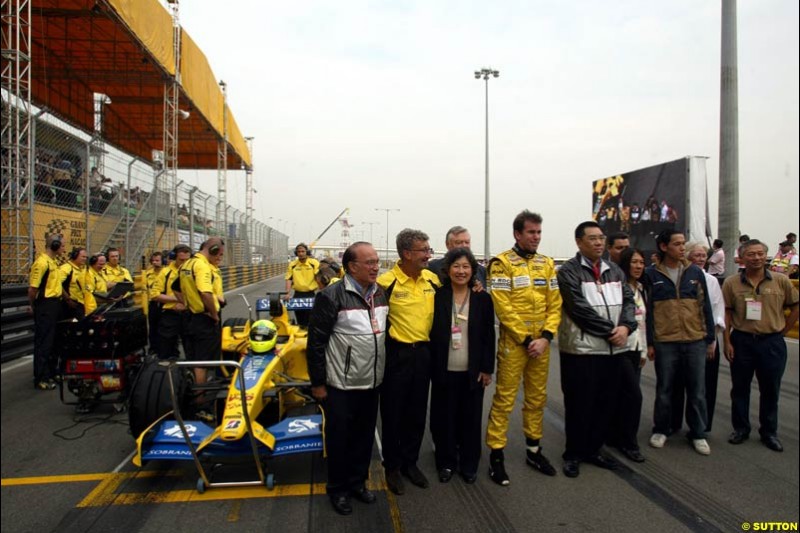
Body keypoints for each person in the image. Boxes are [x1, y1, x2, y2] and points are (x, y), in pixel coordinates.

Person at [307, 242, 388, 516]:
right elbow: (316, 343)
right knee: (340, 440)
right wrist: (318, 383)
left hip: (371, 382)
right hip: (340, 385)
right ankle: (338, 489)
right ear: (352, 266)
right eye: (370, 262)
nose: (376, 266)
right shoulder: (331, 296)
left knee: (364, 438)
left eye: (377, 261)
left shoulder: (382, 294)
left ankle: (357, 483)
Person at [486, 211, 562, 485]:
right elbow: (503, 307)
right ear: (518, 234)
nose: (536, 237)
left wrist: (545, 337)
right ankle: (496, 456)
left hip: (541, 343)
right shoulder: (501, 263)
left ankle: (534, 450)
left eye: (539, 232)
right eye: (531, 232)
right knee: (505, 399)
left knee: (536, 398)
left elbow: (555, 303)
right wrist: (528, 340)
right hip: (515, 344)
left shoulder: (547, 263)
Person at [557, 222, 636, 478]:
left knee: (605, 403)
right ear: (579, 242)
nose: (599, 243)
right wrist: (612, 331)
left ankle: (594, 449)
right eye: (592, 239)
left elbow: (628, 301)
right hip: (581, 351)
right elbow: (578, 308)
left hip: (612, 351)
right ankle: (573, 453)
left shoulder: (614, 270)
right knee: (579, 404)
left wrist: (626, 326)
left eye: (601, 238)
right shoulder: (568, 271)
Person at [377, 229, 441, 495]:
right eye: (423, 250)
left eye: (429, 249)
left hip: (424, 355)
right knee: (393, 414)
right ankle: (392, 467)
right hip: (396, 355)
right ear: (406, 254)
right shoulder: (385, 282)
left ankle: (410, 463)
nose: (428, 254)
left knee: (416, 413)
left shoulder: (433, 280)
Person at [723, 239, 799, 452]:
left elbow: (795, 306)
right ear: (742, 257)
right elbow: (727, 313)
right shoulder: (731, 283)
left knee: (770, 389)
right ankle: (740, 429)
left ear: (765, 256)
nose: (756, 258)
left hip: (771, 342)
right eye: (751, 254)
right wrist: (727, 341)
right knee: (740, 388)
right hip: (742, 341)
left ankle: (769, 432)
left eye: (759, 254)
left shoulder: (780, 280)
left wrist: (782, 331)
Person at [646, 230, 716, 456]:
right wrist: (650, 342)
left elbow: (705, 307)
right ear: (664, 247)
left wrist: (710, 338)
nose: (682, 248)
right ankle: (661, 429)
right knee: (665, 389)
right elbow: (647, 312)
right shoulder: (651, 274)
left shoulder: (695, 272)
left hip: (694, 340)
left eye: (683, 244)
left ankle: (697, 433)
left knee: (697, 390)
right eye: (677, 244)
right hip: (666, 341)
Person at [429, 248, 495, 484]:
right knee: (444, 419)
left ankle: (469, 464)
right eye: (456, 266)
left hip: (473, 372)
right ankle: (446, 463)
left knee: (470, 419)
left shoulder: (482, 298)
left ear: (473, 270)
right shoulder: (437, 296)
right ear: (447, 269)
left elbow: (489, 335)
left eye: (466, 266)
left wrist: (487, 368)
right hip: (443, 370)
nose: (461, 271)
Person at [670, 242, 726, 433]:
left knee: (705, 387)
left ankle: (700, 427)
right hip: (680, 340)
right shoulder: (678, 277)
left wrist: (711, 341)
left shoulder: (711, 281)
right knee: (676, 384)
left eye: (703, 255)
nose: (701, 259)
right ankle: (672, 424)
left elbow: (718, 311)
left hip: (706, 341)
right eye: (696, 255)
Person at [607, 247, 648, 463]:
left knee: (625, 395)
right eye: (634, 262)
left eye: (642, 262)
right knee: (634, 396)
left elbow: (642, 323)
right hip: (619, 349)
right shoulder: (617, 289)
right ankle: (630, 443)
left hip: (635, 350)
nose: (639, 266)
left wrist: (643, 348)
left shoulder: (641, 289)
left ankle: (616, 436)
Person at [177, 238, 225, 398]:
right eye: (219, 254)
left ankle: (193, 392)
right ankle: (200, 400)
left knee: (193, 357)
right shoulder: (202, 266)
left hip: (189, 316)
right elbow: (205, 293)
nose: (220, 258)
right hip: (204, 318)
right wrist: (213, 315)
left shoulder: (186, 264)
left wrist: (185, 302)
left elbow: (175, 287)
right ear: (212, 250)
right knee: (202, 362)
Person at [28, 234, 64, 390]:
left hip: (55, 304)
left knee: (54, 341)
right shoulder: (41, 263)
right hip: (45, 305)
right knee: (44, 342)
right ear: (55, 246)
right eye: (62, 245)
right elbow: (33, 288)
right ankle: (41, 377)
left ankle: (50, 373)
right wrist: (33, 305)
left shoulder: (53, 262)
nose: (64, 248)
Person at [153, 244, 191, 359]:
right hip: (170, 315)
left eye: (187, 260)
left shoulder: (194, 271)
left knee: (191, 348)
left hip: (189, 314)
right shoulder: (165, 272)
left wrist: (185, 305)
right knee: (166, 349)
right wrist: (177, 299)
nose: (184, 263)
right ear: (174, 257)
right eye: (181, 260)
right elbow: (155, 295)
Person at [284, 243, 320, 327]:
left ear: (306, 252)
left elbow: (319, 278)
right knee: (300, 319)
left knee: (311, 319)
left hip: (311, 295)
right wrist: (287, 293)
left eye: (303, 251)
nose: (301, 253)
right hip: (298, 295)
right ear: (296, 253)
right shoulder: (292, 264)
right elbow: (289, 279)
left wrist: (321, 292)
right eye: (299, 251)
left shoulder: (314, 263)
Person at [60, 247, 87, 320]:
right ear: (75, 256)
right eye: (83, 257)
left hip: (81, 303)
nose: (85, 259)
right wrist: (68, 300)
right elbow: (58, 284)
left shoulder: (82, 268)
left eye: (85, 257)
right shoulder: (66, 268)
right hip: (70, 304)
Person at [145, 251, 164, 354]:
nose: (155, 262)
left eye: (157, 260)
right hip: (152, 303)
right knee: (153, 327)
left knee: (164, 327)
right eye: (153, 260)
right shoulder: (148, 273)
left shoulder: (166, 272)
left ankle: (164, 348)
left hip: (164, 303)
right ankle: (153, 348)